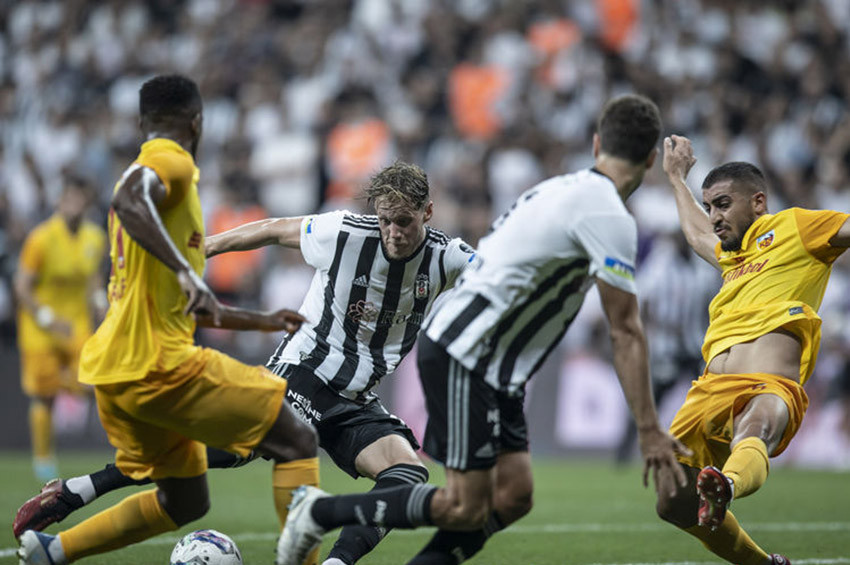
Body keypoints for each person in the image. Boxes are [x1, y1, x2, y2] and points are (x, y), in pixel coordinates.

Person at [276, 94, 690, 565]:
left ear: (597, 145)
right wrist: (649, 429)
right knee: (463, 503)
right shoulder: (610, 217)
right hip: (467, 354)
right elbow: (625, 330)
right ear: (651, 159)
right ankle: (320, 511)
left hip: (497, 366)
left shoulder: (556, 189)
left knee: (512, 496)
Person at [14, 161, 475, 565]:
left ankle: (337, 562)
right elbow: (270, 228)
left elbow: (496, 272)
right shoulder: (346, 234)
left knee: (407, 473)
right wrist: (203, 250)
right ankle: (79, 490)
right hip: (304, 373)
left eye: (404, 223)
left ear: (427, 213)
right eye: (386, 221)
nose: (393, 233)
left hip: (355, 396)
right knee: (232, 450)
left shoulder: (446, 257)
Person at [16, 74, 317, 565]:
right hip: (157, 363)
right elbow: (130, 196)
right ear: (197, 123)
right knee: (296, 439)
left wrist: (263, 320)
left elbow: (195, 303)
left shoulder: (165, 208)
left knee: (187, 500)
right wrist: (185, 270)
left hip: (114, 373)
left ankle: (55, 551)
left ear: (140, 122)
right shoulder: (168, 160)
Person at [654, 134, 850, 565]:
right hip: (707, 391)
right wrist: (674, 178)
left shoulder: (795, 228)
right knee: (671, 502)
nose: (714, 216)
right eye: (709, 206)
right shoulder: (731, 256)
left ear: (758, 202)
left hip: (768, 382)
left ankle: (726, 485)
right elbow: (695, 235)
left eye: (722, 204)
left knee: (756, 426)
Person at [14, 174, 107, 481]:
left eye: (80, 198)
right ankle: (43, 459)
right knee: (44, 395)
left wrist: (98, 300)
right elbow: (22, 285)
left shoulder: (94, 237)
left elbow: (93, 276)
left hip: (76, 322)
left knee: (91, 383)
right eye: (69, 198)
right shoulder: (40, 238)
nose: (74, 204)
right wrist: (45, 317)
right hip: (40, 325)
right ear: (59, 201)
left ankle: (63, 380)